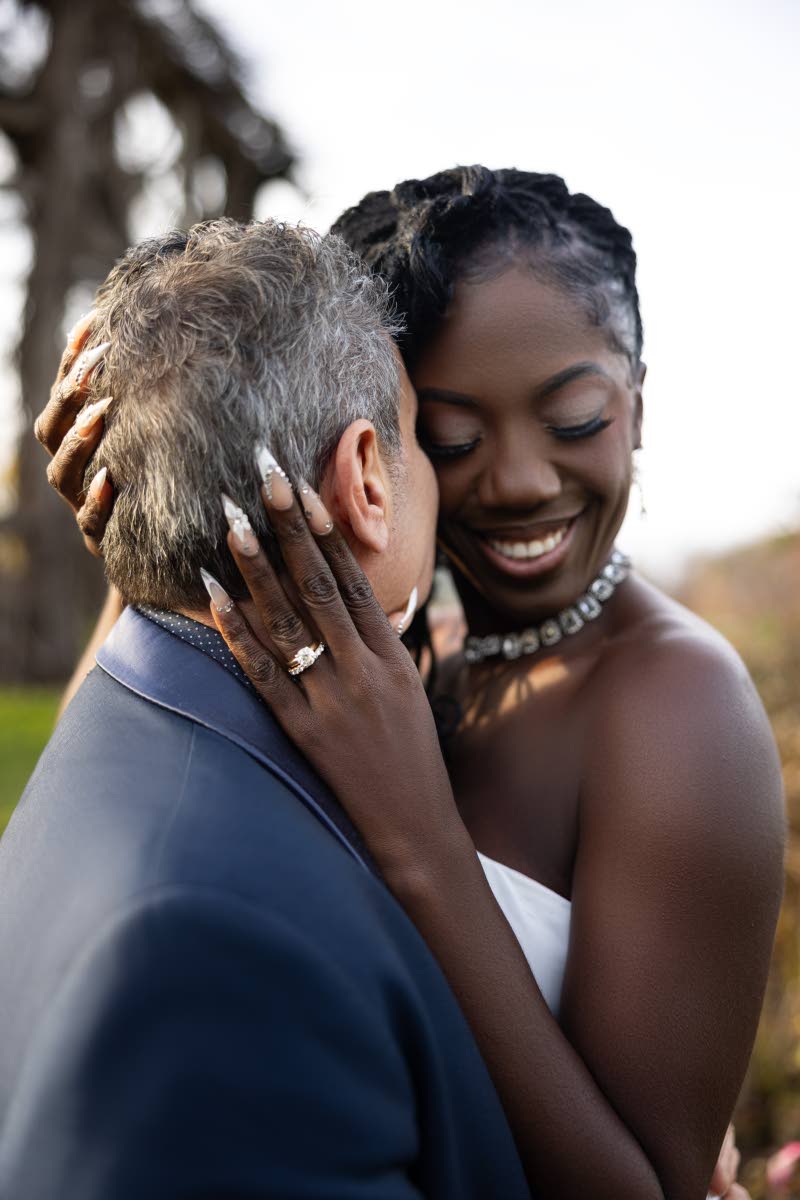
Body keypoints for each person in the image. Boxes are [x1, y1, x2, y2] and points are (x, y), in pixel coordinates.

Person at [35, 169, 780, 1200]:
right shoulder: (384, 641)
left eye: (571, 423)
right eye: (452, 439)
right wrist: (153, 543)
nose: (518, 481)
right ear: (376, 457)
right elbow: (132, 789)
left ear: (636, 408)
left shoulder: (676, 707)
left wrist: (420, 837)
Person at [0, 219, 532, 1199]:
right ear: (365, 475)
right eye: (422, 441)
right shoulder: (204, 957)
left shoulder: (130, 696)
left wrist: (154, 523)